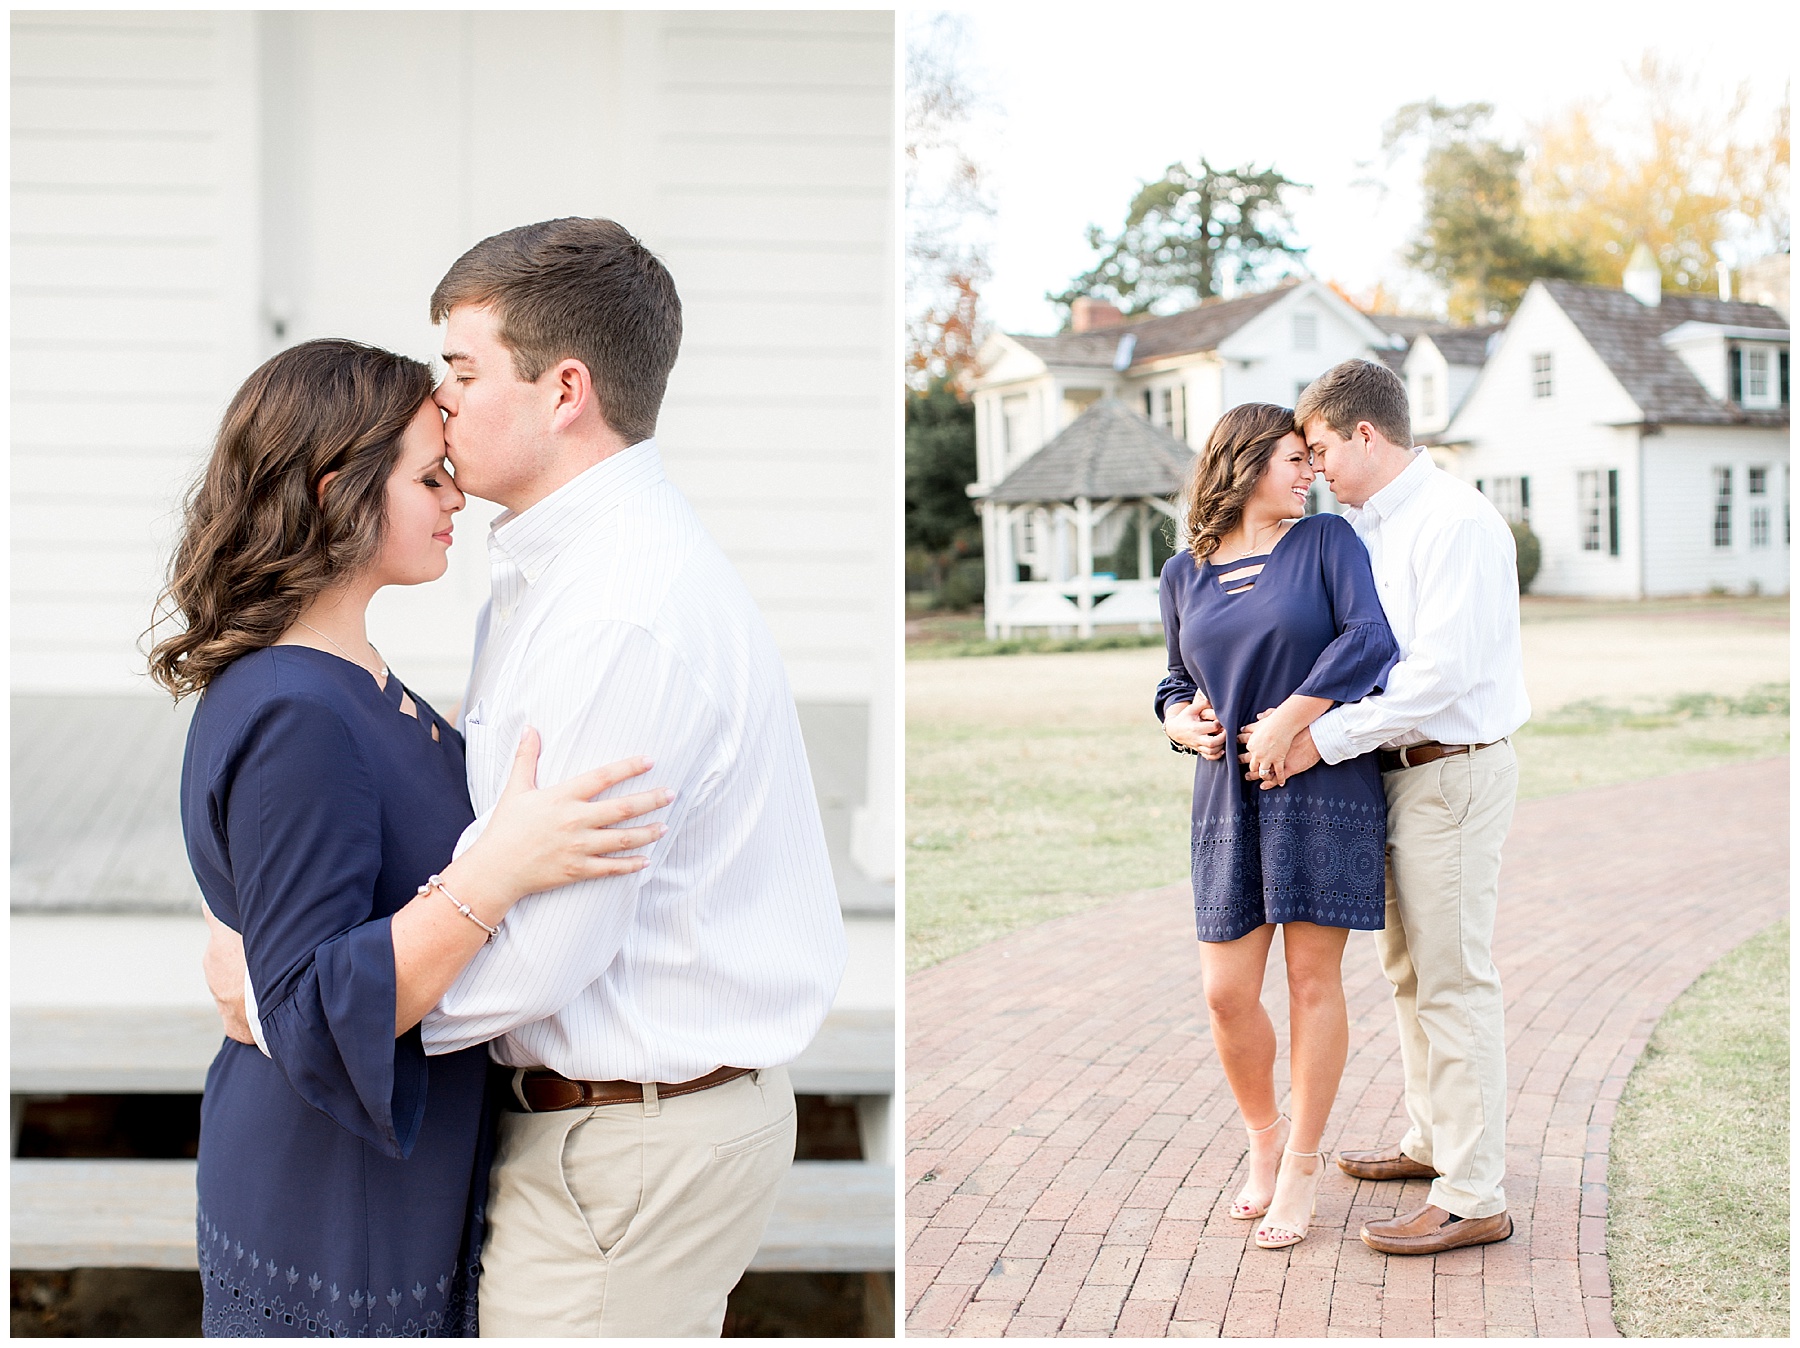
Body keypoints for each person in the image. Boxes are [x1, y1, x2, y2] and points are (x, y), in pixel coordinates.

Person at [214, 218, 850, 1335]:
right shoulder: (552, 580)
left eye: (462, 372)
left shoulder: (617, 615)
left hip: (626, 1143)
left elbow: (541, 957)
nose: (440, 402)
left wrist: (291, 1010)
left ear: (564, 391)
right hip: (593, 1131)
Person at [153, 338, 671, 1337]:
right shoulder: (297, 707)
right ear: (336, 489)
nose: (458, 498)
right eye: (430, 477)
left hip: (385, 1176)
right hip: (330, 1201)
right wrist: (499, 870)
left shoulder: (345, 676)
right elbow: (308, 1008)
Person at [1267, 358, 1530, 1255]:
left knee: (1454, 981)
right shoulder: (1368, 527)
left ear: (1366, 435)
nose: (1315, 469)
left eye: (1321, 449)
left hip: (1449, 770)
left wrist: (1322, 737)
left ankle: (1473, 1195)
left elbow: (1436, 677)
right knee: (1409, 974)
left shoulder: (1455, 522)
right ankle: (1434, 1143)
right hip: (1394, 775)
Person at [1156, 402, 1399, 1250]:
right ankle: (1264, 1137)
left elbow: (1370, 639)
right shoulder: (1182, 573)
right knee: (1225, 993)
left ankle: (1301, 1164)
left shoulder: (1328, 543)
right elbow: (1175, 678)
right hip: (1226, 796)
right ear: (1247, 460)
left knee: (1309, 983)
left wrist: (1292, 716)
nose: (1311, 472)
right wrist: (1176, 720)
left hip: (1321, 786)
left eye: (1311, 457)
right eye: (1295, 458)